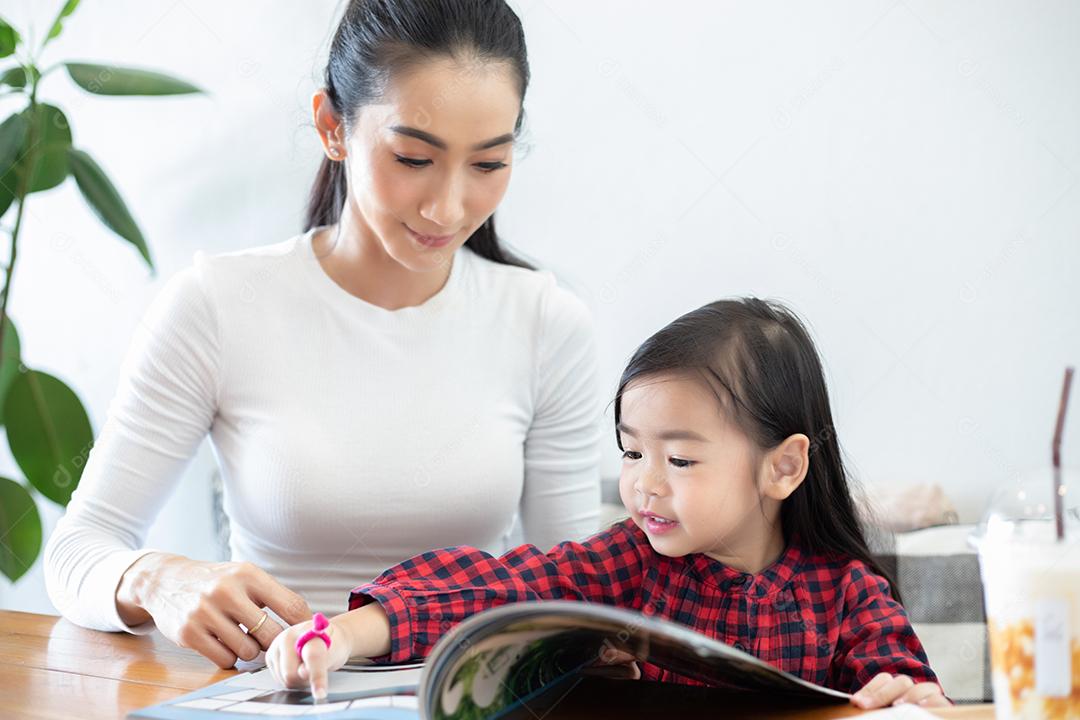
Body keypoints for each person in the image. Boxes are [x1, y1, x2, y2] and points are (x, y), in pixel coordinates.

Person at [44, 0, 601, 669]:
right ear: (332, 127)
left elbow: (575, 587)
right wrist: (156, 578)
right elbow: (79, 550)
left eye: (487, 165)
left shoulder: (545, 322)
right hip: (273, 696)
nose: (449, 207)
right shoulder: (217, 306)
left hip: (462, 697)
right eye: (413, 157)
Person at [267, 298, 949, 710]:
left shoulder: (847, 593)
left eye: (680, 460)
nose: (645, 485)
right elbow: (496, 586)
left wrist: (914, 704)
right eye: (631, 452)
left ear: (784, 466)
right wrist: (346, 635)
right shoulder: (629, 562)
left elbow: (919, 697)